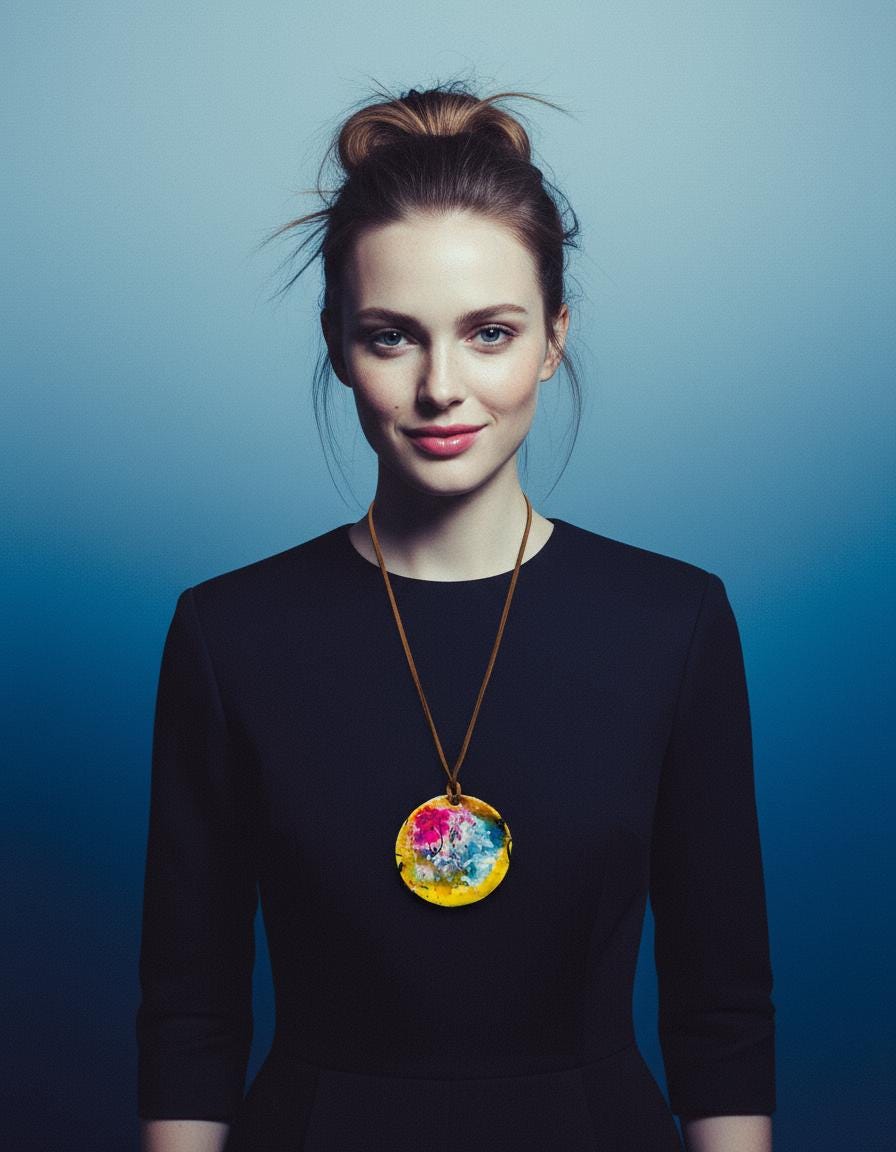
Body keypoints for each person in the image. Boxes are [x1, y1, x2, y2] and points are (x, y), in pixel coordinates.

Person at [136, 83, 776, 1152]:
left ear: (552, 339)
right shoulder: (226, 635)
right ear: (337, 342)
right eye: (392, 336)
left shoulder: (673, 623)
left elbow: (721, 1017)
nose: (442, 386)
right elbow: (188, 1017)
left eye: (488, 332)